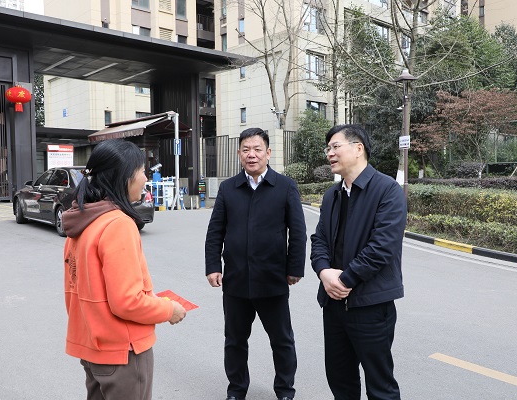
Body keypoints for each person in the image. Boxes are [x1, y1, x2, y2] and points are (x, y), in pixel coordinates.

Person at [62, 139, 186, 400]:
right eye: (142, 171)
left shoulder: (83, 220)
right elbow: (127, 302)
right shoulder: (118, 224)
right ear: (125, 176)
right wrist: (169, 310)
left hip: (93, 346)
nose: (145, 179)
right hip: (122, 352)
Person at [205, 128, 307, 400]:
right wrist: (213, 266)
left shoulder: (285, 186)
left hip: (272, 279)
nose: (252, 155)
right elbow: (215, 231)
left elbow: (298, 232)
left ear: (268, 153)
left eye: (257, 149)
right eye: (246, 150)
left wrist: (294, 268)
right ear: (239, 154)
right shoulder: (228, 188)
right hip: (236, 281)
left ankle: (285, 391)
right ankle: (236, 390)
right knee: (235, 341)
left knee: (282, 341)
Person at [310, 124, 407, 400]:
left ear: (358, 148)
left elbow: (382, 247)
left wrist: (344, 280)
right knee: (340, 382)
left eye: (335, 147)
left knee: (380, 386)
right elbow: (319, 239)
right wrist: (324, 272)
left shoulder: (387, 190)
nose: (330, 153)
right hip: (334, 304)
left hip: (371, 305)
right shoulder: (332, 194)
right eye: (328, 149)